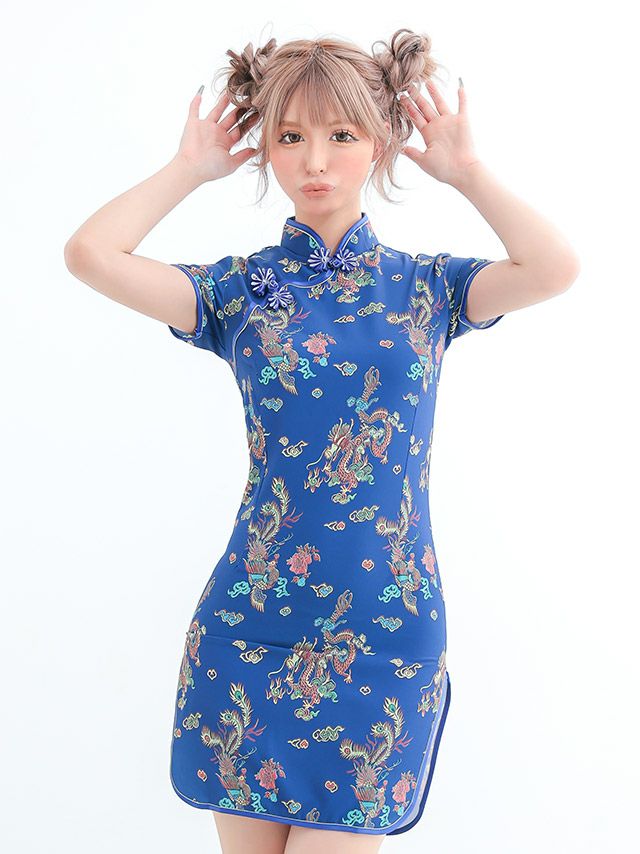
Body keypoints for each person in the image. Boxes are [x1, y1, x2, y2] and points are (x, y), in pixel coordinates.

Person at [63, 28, 580, 854]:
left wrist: (468, 173)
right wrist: (188, 169)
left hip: (386, 631)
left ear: (380, 143)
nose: (314, 160)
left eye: (341, 134)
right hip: (251, 625)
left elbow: (555, 268)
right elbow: (90, 254)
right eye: (289, 135)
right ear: (265, 148)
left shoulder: (427, 289)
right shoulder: (240, 291)